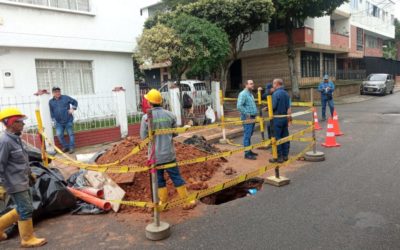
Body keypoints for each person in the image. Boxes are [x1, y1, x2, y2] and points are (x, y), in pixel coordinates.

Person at [140, 89, 196, 210]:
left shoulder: (145, 118)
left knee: (160, 180)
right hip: (169, 154)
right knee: (176, 177)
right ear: (161, 101)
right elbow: (175, 134)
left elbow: (144, 138)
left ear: (149, 102)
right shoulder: (170, 115)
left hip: (155, 157)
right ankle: (186, 201)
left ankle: (164, 204)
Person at [0, 107, 47, 247]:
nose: (23, 124)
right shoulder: (5, 142)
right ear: (11, 123)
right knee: (25, 209)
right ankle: (27, 239)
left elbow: (21, 161)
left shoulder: (16, 139)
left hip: (22, 180)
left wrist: (29, 174)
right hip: (14, 183)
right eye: (20, 121)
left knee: (23, 208)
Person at [49, 87, 78, 154]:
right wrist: (53, 120)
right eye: (56, 92)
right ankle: (65, 146)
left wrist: (73, 109)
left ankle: (71, 147)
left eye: (59, 91)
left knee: (70, 134)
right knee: (59, 134)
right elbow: (51, 111)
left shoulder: (65, 98)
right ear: (53, 93)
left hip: (68, 120)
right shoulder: (51, 102)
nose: (58, 93)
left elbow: (75, 102)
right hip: (58, 122)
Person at [269, 79, 291, 164]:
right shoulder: (286, 93)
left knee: (277, 137)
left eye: (273, 83)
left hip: (277, 118)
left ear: (277, 84)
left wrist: (268, 108)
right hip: (284, 117)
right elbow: (288, 106)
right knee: (284, 137)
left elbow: (273, 106)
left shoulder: (276, 94)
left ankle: (279, 157)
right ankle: (285, 155)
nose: (273, 85)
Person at [237, 80, 258, 160]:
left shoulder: (250, 94)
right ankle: (247, 153)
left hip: (252, 117)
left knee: (249, 134)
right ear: (246, 85)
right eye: (251, 84)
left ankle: (249, 150)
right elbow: (239, 106)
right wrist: (247, 113)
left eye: (253, 83)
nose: (253, 85)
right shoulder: (243, 94)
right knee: (247, 135)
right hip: (247, 118)